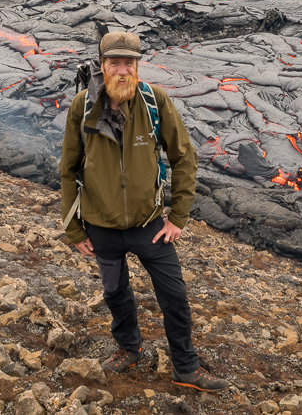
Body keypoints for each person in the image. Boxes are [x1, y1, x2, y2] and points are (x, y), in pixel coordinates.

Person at [59, 31, 227, 392]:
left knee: (175, 296)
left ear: (138, 66)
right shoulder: (82, 106)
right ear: (102, 67)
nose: (122, 71)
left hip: (149, 225)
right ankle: (128, 347)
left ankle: (185, 366)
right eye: (114, 63)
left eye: (128, 63)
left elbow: (184, 157)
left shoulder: (154, 101)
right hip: (100, 226)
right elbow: (68, 169)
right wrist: (74, 229)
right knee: (115, 292)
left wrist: (178, 217)